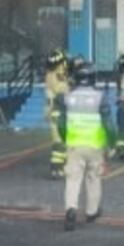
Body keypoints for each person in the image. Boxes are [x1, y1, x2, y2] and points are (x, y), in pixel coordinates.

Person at [56, 58, 115, 232]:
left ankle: (71, 209)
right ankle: (91, 212)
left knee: (73, 179)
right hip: (94, 146)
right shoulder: (100, 98)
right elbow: (109, 125)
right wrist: (111, 144)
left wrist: (67, 138)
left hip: (74, 145)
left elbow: (61, 123)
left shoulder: (68, 98)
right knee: (93, 178)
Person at [43, 48, 70, 179]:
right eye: (63, 62)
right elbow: (61, 91)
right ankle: (56, 169)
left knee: (63, 142)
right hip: (57, 113)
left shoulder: (56, 75)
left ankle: (60, 167)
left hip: (60, 113)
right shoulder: (53, 77)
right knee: (59, 143)